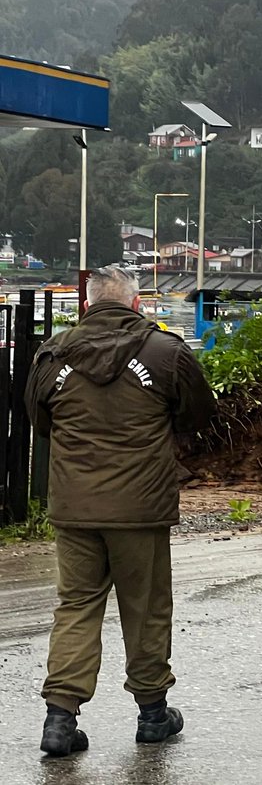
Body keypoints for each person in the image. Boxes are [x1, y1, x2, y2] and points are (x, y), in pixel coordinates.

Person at [25, 265, 216, 757]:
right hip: (141, 507)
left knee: (76, 605)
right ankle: (153, 715)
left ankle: (59, 721)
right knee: (146, 607)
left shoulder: (52, 354)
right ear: (136, 305)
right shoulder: (167, 352)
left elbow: (39, 422)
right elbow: (197, 415)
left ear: (86, 305)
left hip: (75, 507)